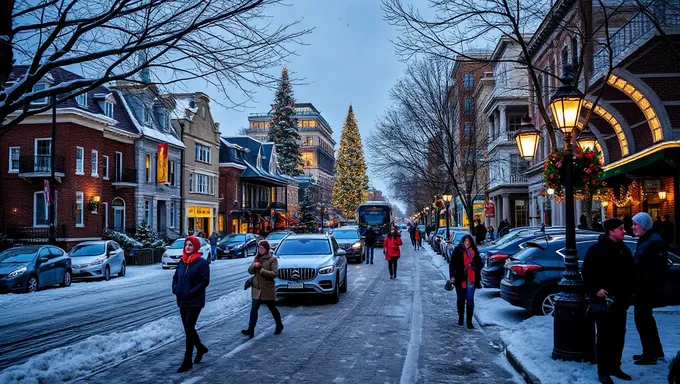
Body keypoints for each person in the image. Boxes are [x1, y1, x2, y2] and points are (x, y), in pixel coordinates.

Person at [582, 218, 635, 384]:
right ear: (611, 231)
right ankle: (603, 371)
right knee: (605, 336)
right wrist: (596, 290)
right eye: (620, 229)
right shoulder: (596, 250)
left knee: (619, 335)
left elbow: (630, 274)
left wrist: (628, 294)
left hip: (620, 300)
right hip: (603, 301)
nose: (624, 231)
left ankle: (615, 366)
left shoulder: (624, 250)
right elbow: (587, 273)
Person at [631, 212, 667, 365]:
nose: (633, 227)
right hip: (644, 286)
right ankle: (654, 351)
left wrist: (643, 281)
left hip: (647, 288)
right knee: (645, 319)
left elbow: (656, 268)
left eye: (635, 224)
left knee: (642, 319)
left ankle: (650, 354)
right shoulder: (646, 239)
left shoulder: (654, 241)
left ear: (644, 226)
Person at [172, 236, 210, 373]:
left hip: (195, 301)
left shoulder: (201, 263)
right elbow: (175, 278)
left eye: (190, 245)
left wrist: (192, 291)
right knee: (189, 329)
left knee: (189, 328)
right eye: (186, 245)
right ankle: (200, 348)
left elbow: (205, 281)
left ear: (196, 247)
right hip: (182, 300)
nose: (187, 247)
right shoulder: (182, 262)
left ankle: (187, 361)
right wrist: (175, 289)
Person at [241, 240, 283, 338]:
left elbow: (274, 274)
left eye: (262, 248)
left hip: (267, 289)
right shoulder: (257, 258)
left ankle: (279, 324)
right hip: (256, 289)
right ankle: (250, 330)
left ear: (266, 249)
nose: (260, 250)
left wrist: (261, 269)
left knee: (272, 308)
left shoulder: (272, 259)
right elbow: (250, 272)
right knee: (254, 308)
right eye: (259, 248)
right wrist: (254, 265)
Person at [449, 234, 483, 329]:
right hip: (460, 279)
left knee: (470, 300)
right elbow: (452, 264)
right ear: (462, 242)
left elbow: (480, 264)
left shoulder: (474, 252)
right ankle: (461, 316)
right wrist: (452, 276)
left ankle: (469, 321)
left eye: (468, 242)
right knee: (461, 299)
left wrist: (474, 267)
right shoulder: (458, 250)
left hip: (471, 280)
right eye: (465, 242)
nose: (467, 243)